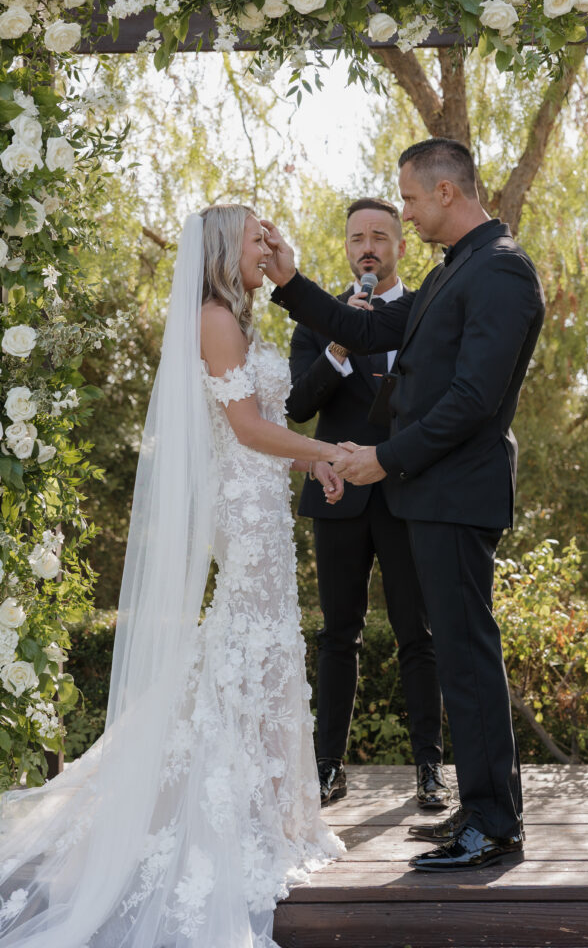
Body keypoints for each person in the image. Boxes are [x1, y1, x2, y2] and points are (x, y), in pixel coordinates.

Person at [0, 205, 346, 947]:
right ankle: (224, 804)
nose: (270, 243)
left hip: (261, 501)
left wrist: (306, 460)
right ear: (225, 246)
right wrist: (325, 454)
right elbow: (248, 428)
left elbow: (260, 425)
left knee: (262, 639)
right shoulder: (214, 318)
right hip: (242, 506)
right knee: (248, 639)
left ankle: (268, 805)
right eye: (257, 235)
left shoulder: (239, 319)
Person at [264, 139, 545, 872]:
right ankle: (480, 810)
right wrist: (290, 279)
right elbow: (360, 330)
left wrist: (381, 458)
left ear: (446, 192)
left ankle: (492, 823)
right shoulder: (454, 273)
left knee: (467, 657)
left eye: (411, 201)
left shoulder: (502, 272)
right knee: (455, 654)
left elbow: (472, 400)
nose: (407, 213)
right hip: (434, 495)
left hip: (456, 494)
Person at [286, 197, 449, 811]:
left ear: (401, 245)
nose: (369, 247)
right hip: (339, 497)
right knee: (337, 635)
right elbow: (298, 408)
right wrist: (340, 347)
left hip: (410, 492)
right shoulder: (318, 318)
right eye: (358, 238)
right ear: (347, 248)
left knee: (419, 634)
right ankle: (328, 768)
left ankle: (430, 770)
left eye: (381, 234)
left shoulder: (422, 313)